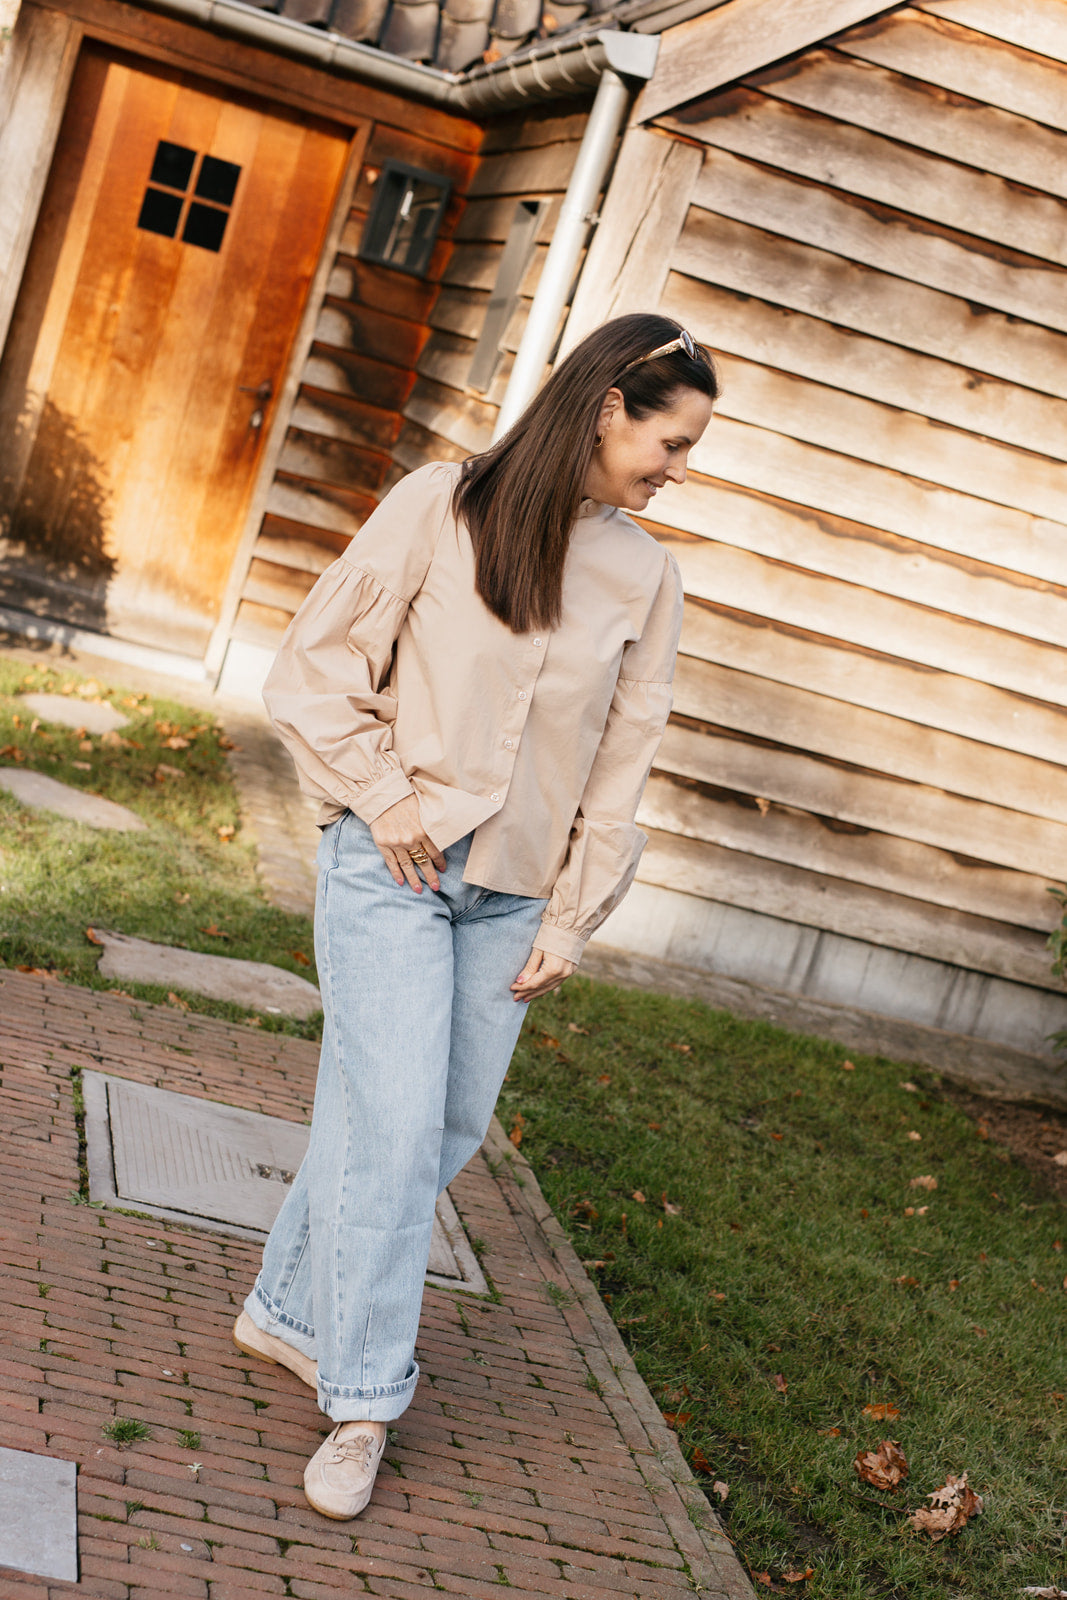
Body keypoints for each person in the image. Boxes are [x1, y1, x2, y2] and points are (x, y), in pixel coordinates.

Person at [232, 313, 719, 1519]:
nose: (678, 469)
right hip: (392, 868)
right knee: (393, 1131)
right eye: (672, 442)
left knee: (433, 1129)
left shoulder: (646, 578)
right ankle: (362, 1402)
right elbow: (314, 665)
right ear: (605, 409)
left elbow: (622, 756)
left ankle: (286, 1307)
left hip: (515, 897)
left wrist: (572, 916)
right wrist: (385, 794)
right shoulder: (439, 506)